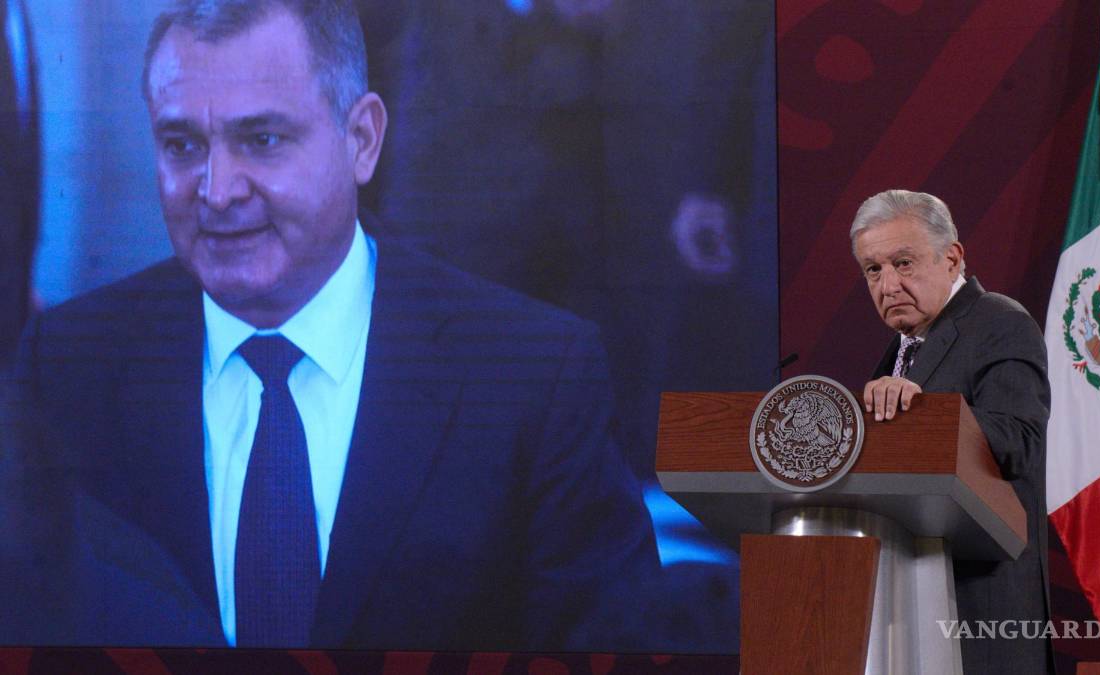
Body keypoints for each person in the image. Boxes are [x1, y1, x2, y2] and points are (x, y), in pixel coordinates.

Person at [12, 0, 659, 650]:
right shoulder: (67, 365)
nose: (217, 190)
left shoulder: (532, 376)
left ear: (362, 140)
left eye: (261, 140)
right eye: (182, 146)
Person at [851, 189, 1053, 673]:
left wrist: (921, 412)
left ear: (952, 257)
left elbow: (1019, 440)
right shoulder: (906, 345)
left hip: (982, 611)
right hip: (911, 602)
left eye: (903, 262)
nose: (888, 285)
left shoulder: (1000, 322)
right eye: (873, 269)